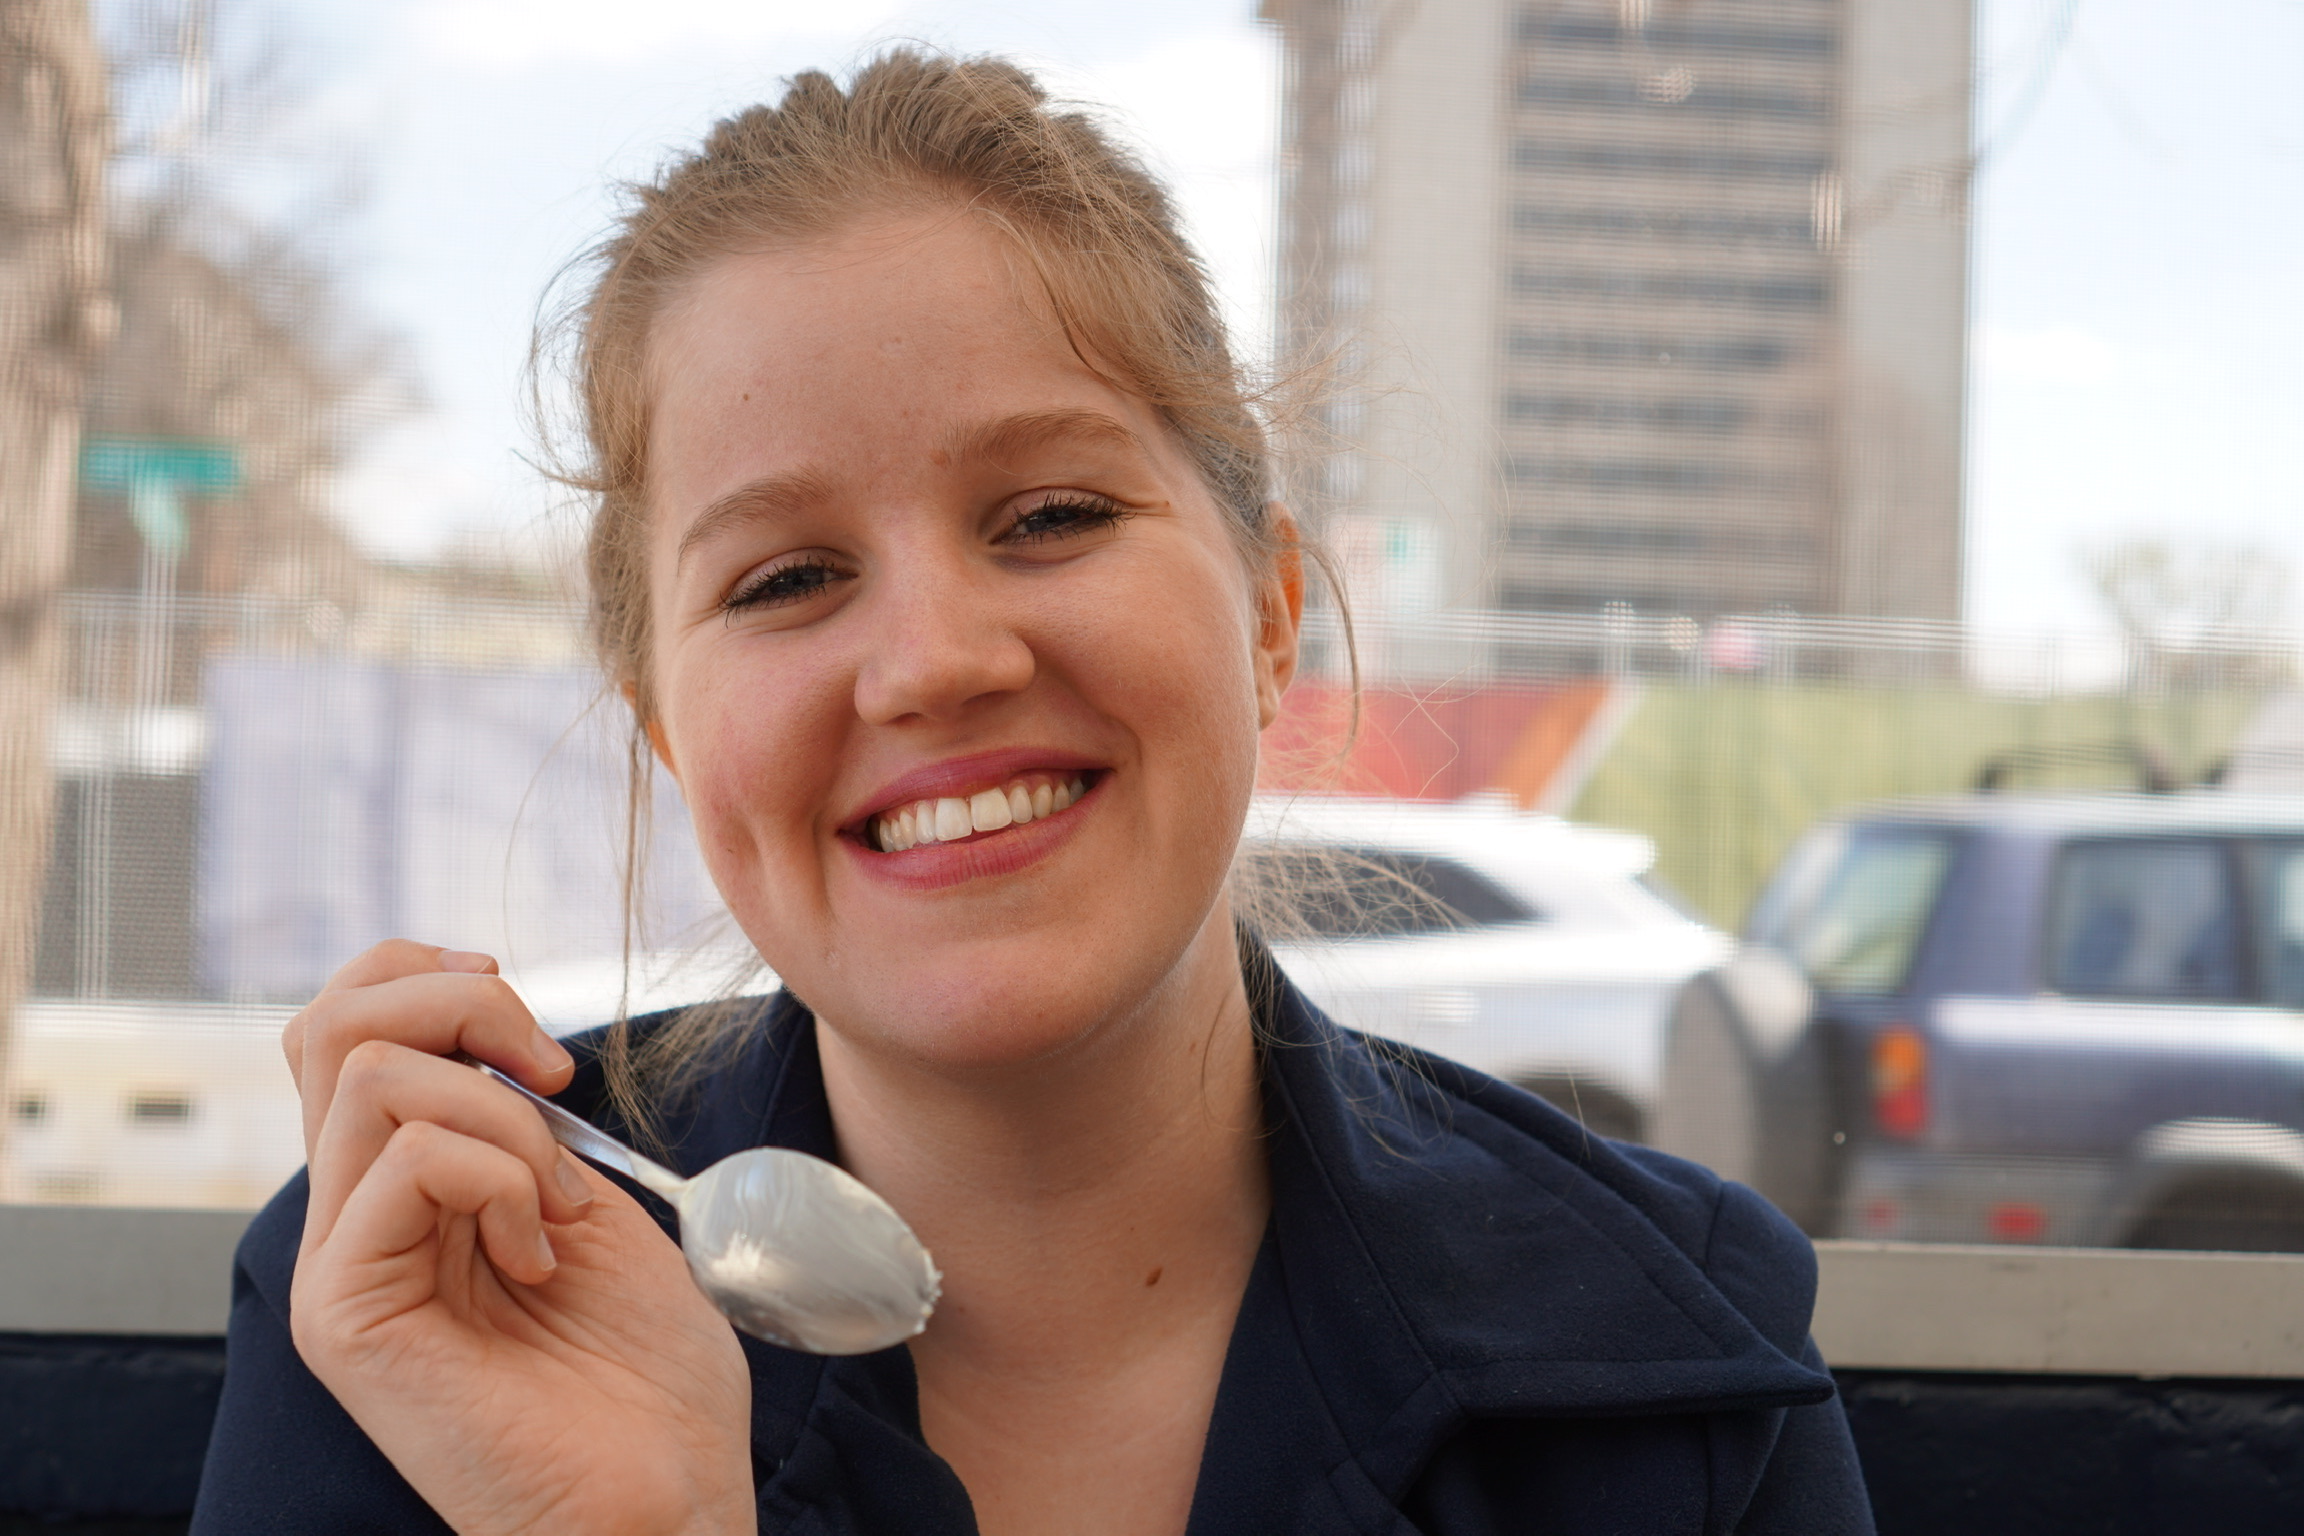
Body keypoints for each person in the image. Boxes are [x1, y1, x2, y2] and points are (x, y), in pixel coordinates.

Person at [191, 50, 1873, 1536]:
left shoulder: (1665, 1355)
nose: (931, 661)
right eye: (785, 579)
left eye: (1051, 514)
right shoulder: (425, 1287)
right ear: (667, 732)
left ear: (1273, 618)